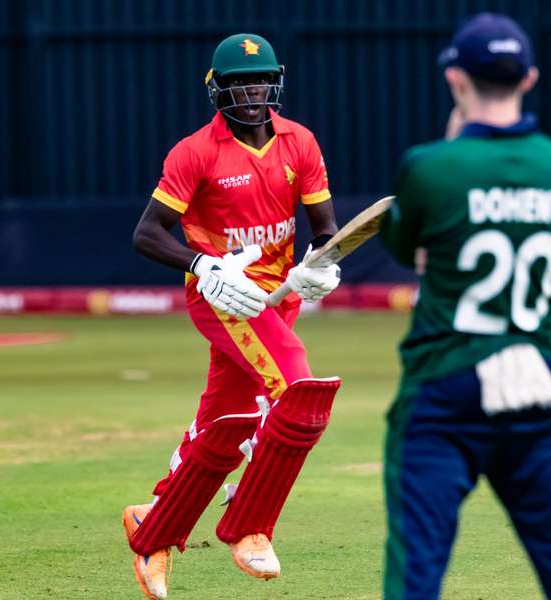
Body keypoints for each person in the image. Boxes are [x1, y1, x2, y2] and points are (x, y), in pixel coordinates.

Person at [379, 13, 551, 600]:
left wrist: (453, 144)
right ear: (530, 79)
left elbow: (400, 245)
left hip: (445, 387)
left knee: (416, 571)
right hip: (535, 385)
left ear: (456, 81)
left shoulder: (430, 166)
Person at [124, 33, 343, 599]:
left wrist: (322, 266)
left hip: (279, 299)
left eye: (260, 80)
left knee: (226, 426)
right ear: (217, 89)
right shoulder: (195, 152)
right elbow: (146, 235)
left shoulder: (300, 143)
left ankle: (153, 531)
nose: (251, 91)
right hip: (224, 297)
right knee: (300, 390)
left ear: (277, 82)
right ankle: (250, 527)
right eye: (239, 82)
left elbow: (324, 231)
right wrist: (204, 266)